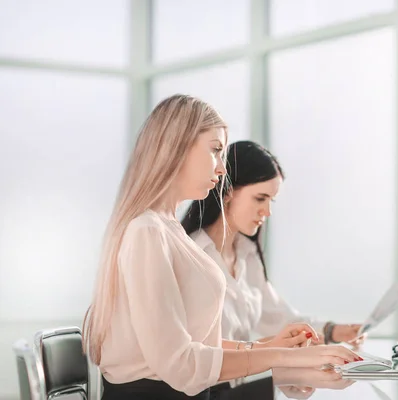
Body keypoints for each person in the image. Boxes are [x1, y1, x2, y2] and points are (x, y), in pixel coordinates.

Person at [82, 95, 360, 400]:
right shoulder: (147, 232)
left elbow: (192, 344)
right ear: (177, 146)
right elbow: (181, 364)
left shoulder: (167, 229)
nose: (222, 168)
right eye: (216, 150)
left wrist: (269, 349)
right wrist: (289, 360)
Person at [180, 140, 365, 349]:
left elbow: (281, 320)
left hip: (241, 379)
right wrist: (264, 349)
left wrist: (334, 332)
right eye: (260, 198)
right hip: (211, 380)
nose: (267, 212)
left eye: (271, 201)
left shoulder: (246, 254)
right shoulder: (191, 254)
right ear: (227, 191)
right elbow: (193, 350)